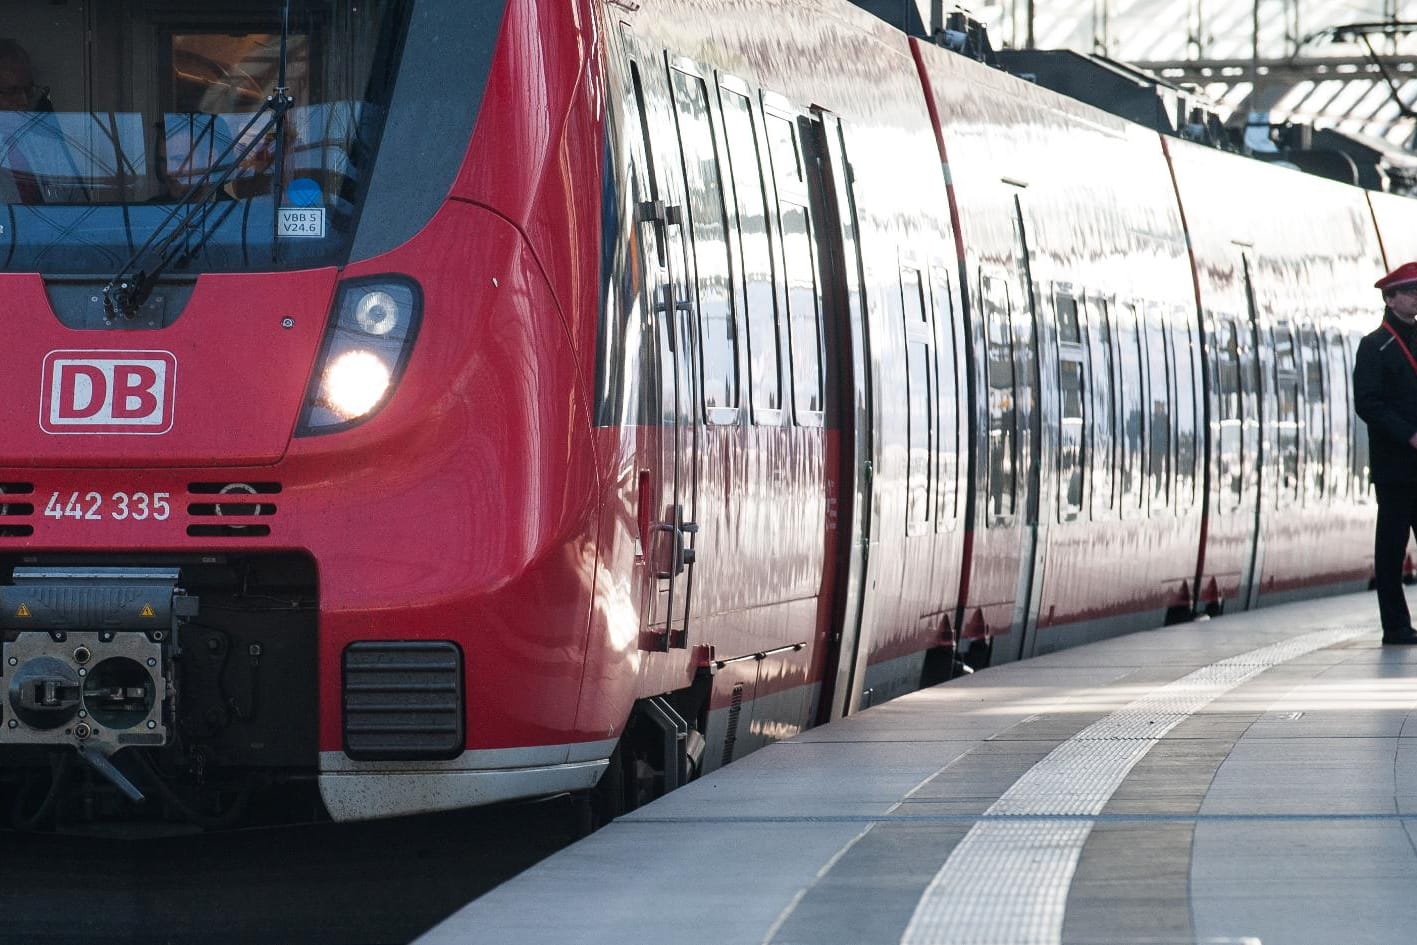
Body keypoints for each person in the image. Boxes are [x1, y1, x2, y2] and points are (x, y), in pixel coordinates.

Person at [1354, 261, 1417, 645]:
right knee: (1391, 551)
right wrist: (1408, 435)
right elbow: (1368, 404)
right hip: (1395, 468)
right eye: (1408, 292)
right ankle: (1395, 626)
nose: (1415, 299)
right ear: (1390, 298)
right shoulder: (1375, 346)